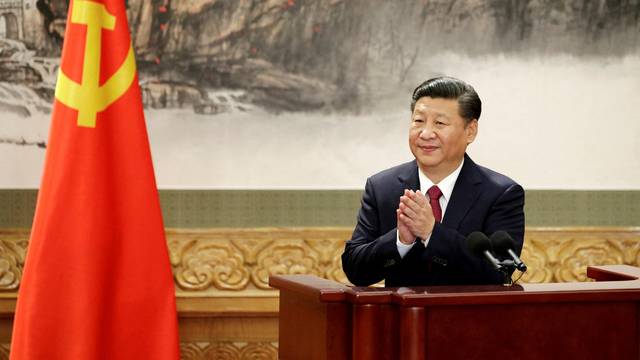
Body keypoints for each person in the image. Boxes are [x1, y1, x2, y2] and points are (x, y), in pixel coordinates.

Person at [341, 76, 525, 287]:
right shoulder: (382, 187)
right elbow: (355, 270)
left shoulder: (501, 193)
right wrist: (401, 241)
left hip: (470, 319)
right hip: (402, 318)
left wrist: (431, 233)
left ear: (470, 131)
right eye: (418, 121)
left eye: (440, 123)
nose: (426, 133)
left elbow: (500, 272)